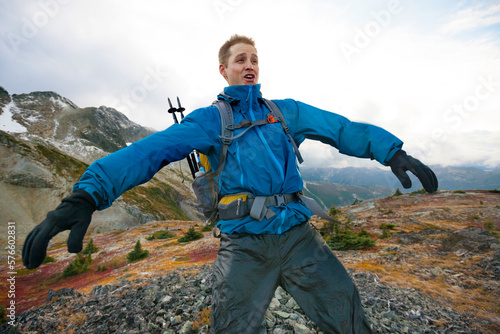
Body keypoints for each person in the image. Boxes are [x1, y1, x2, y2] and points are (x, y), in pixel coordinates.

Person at [23, 34, 438, 333]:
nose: (249, 64)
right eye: (240, 59)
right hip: (244, 245)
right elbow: (149, 152)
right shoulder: (210, 120)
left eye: (254, 58)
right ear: (224, 70)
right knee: (232, 325)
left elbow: (341, 128)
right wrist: (86, 194)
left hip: (300, 237)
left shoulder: (285, 111)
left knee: (347, 312)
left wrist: (391, 151)